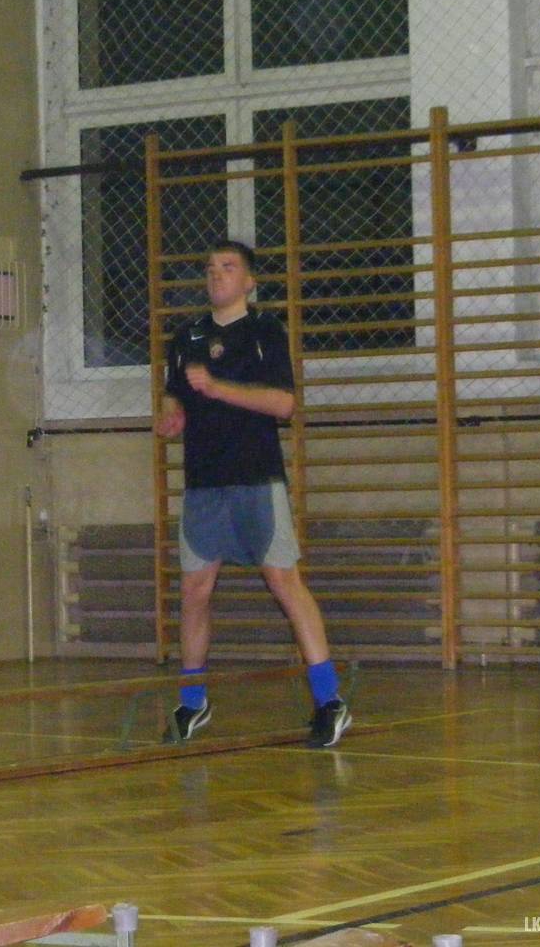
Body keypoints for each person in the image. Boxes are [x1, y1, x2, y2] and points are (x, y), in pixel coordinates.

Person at [156, 239, 350, 749]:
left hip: (256, 479)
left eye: (227, 267)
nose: (216, 274)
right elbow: (173, 395)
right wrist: (171, 415)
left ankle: (329, 699)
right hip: (204, 483)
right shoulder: (186, 337)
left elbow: (284, 405)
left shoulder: (265, 333)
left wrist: (218, 388)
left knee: (285, 582)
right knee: (194, 591)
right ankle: (193, 702)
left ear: (249, 281)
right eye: (210, 267)